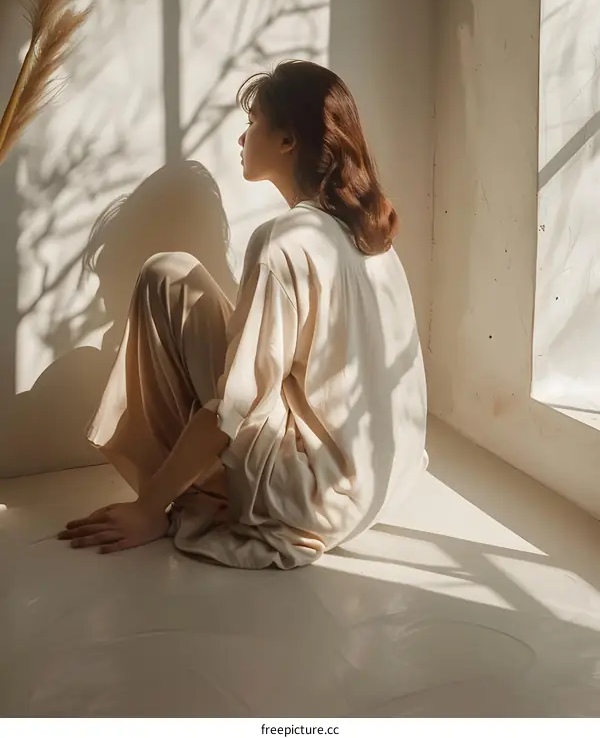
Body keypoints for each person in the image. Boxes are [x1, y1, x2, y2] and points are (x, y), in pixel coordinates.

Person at [59, 61, 427, 570]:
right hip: (381, 479)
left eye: (254, 122)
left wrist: (149, 508)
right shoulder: (367, 230)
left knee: (163, 276)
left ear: (286, 141)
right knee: (179, 276)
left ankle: (165, 485)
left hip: (312, 497)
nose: (241, 136)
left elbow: (234, 406)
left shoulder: (284, 241)